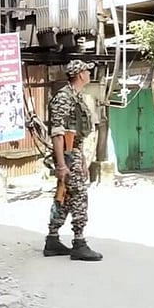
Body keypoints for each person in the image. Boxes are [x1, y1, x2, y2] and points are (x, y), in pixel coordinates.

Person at [43, 60, 103, 262]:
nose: (89, 73)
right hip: (67, 154)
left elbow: (76, 133)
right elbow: (58, 133)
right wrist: (61, 164)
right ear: (79, 74)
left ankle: (52, 239)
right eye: (86, 70)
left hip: (73, 152)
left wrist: (83, 159)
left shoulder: (76, 97)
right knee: (78, 195)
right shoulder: (64, 98)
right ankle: (79, 242)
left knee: (66, 196)